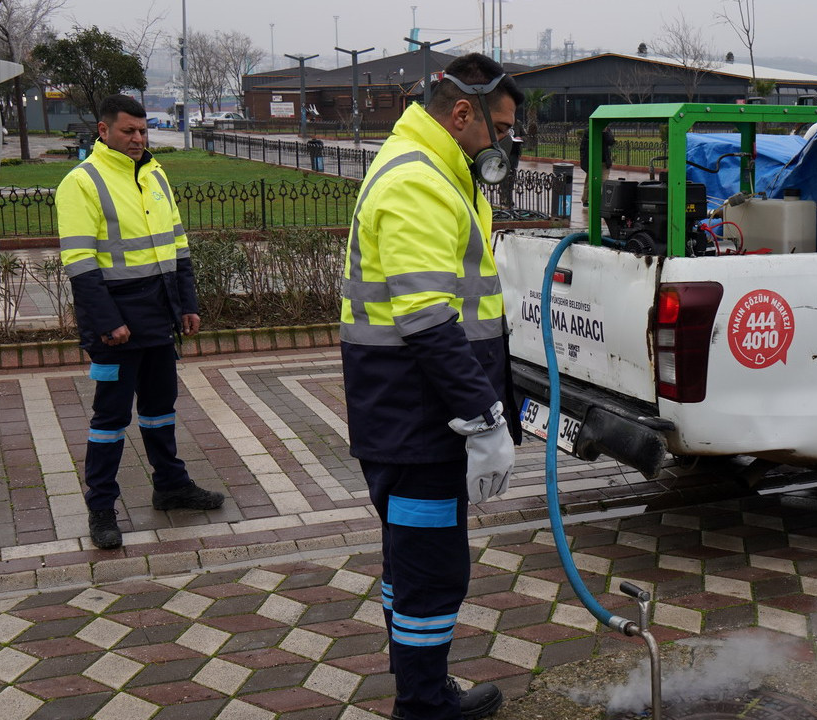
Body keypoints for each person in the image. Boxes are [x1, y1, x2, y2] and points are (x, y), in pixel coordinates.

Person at [339, 52, 521, 720]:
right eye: (499, 129)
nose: (504, 145)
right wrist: (482, 419)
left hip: (409, 415)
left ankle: (418, 687)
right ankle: (421, 708)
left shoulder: (440, 170)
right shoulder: (418, 181)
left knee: (410, 560)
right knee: (432, 569)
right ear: (463, 113)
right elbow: (427, 320)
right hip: (418, 420)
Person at [56, 94, 224, 551]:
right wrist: (108, 322)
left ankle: (171, 486)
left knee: (160, 409)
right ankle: (101, 507)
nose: (137, 138)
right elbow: (80, 263)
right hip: (115, 325)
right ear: (103, 130)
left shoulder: (155, 174)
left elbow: (178, 247)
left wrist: (186, 304)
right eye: (128, 131)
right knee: (110, 419)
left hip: (158, 316)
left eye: (143, 130)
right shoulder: (82, 182)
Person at [579, 125, 614, 206]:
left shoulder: (607, 131)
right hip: (593, 161)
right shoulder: (589, 131)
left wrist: (605, 132)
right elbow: (583, 147)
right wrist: (585, 162)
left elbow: (611, 142)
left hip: (604, 162)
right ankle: (586, 200)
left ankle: (601, 201)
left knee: (604, 181)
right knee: (590, 182)